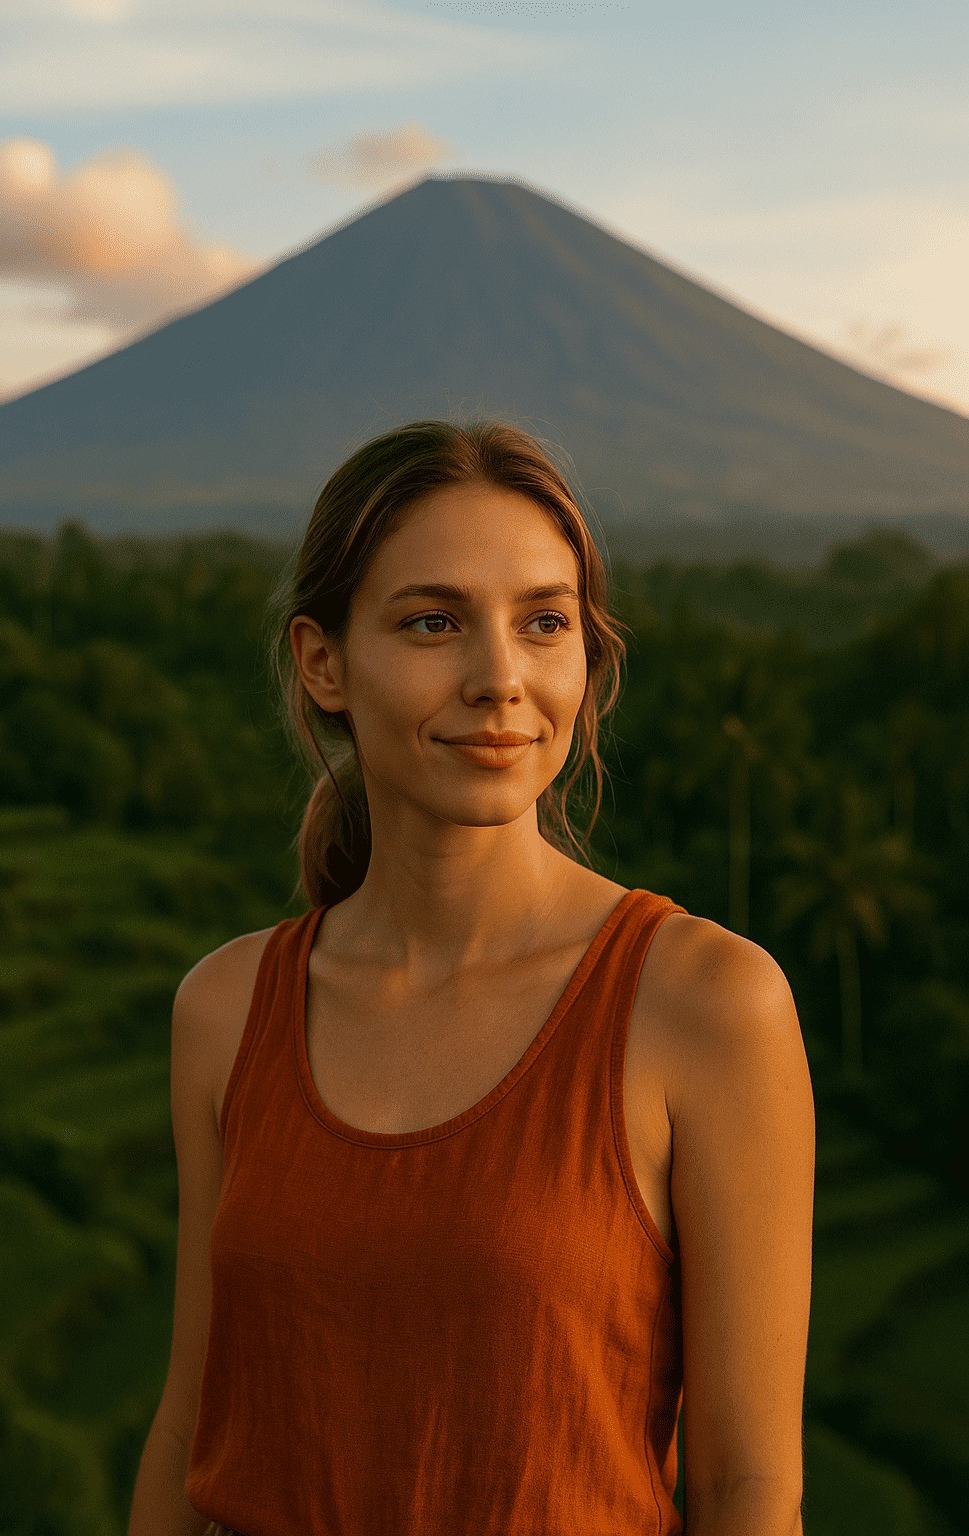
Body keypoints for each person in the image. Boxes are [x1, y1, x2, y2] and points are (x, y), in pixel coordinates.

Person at [127, 419, 815, 1536]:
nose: (499, 679)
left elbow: (748, 1487)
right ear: (323, 662)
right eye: (433, 623)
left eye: (543, 622)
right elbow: (193, 1421)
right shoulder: (226, 1006)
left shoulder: (704, 1006)